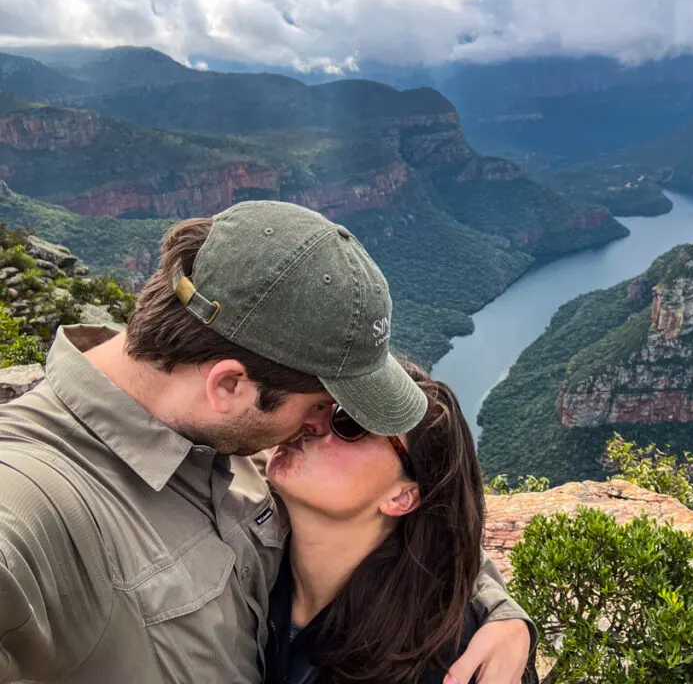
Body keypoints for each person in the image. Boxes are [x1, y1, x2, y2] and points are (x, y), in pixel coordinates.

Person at [0, 201, 533, 683]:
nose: (316, 426)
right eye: (323, 407)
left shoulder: (228, 439)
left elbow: (416, 513)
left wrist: (494, 610)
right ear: (230, 385)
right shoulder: (37, 496)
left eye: (345, 419)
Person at [263, 362, 535, 684]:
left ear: (402, 498)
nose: (309, 421)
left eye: (349, 422)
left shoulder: (447, 661)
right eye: (319, 404)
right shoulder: (246, 558)